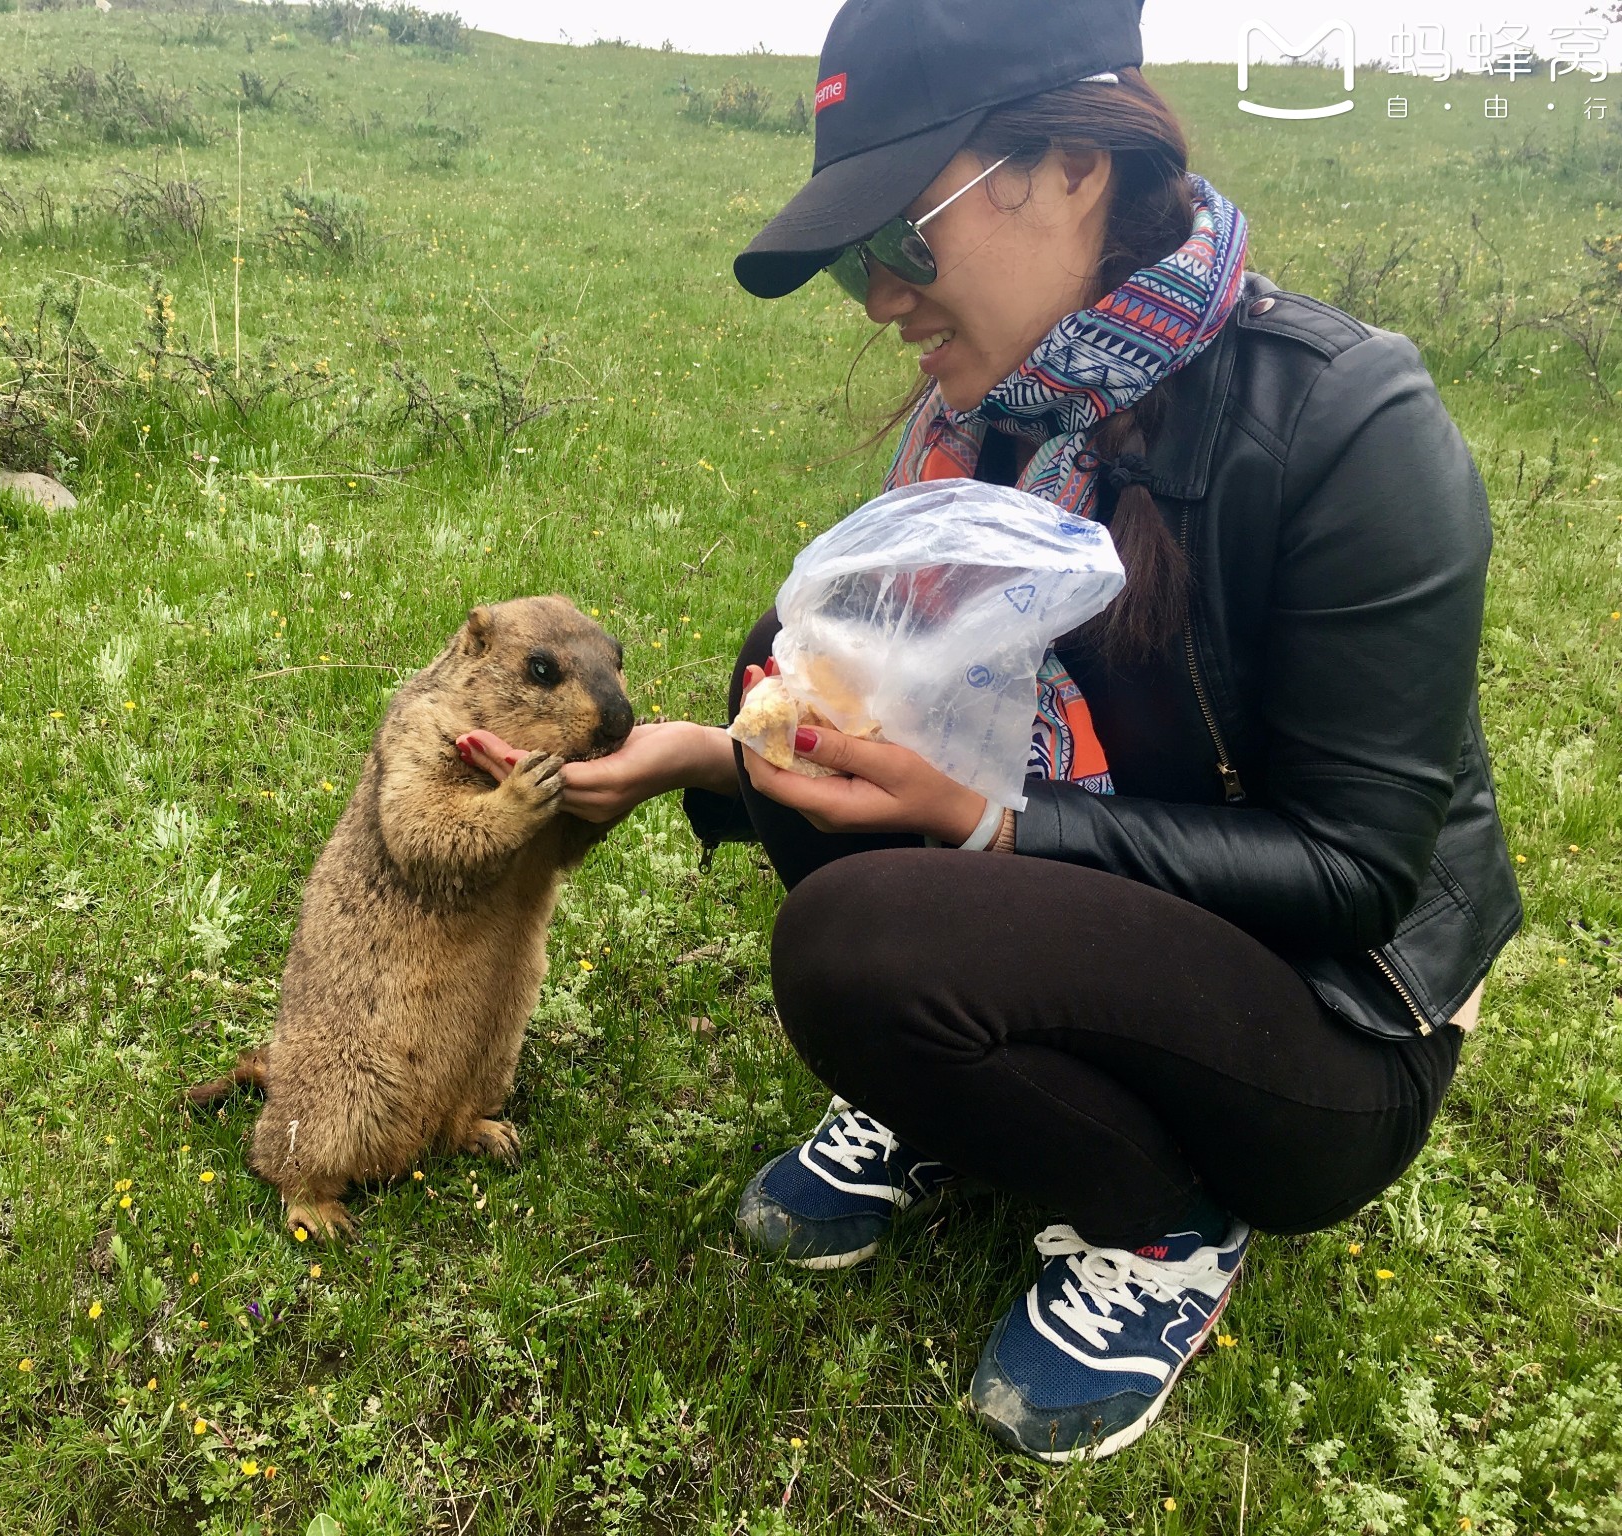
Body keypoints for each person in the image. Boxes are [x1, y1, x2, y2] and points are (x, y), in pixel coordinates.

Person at [464, 0, 1522, 1463]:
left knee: (860, 952)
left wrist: (988, 828)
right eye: (854, 266)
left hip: (1322, 1029)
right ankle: (958, 1088)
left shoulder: (1347, 425)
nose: (883, 298)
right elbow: (890, 713)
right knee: (796, 672)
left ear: (1069, 168)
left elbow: (1355, 875)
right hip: (1100, 915)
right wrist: (718, 755)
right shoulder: (1006, 417)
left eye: (901, 239)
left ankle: (1171, 1233)